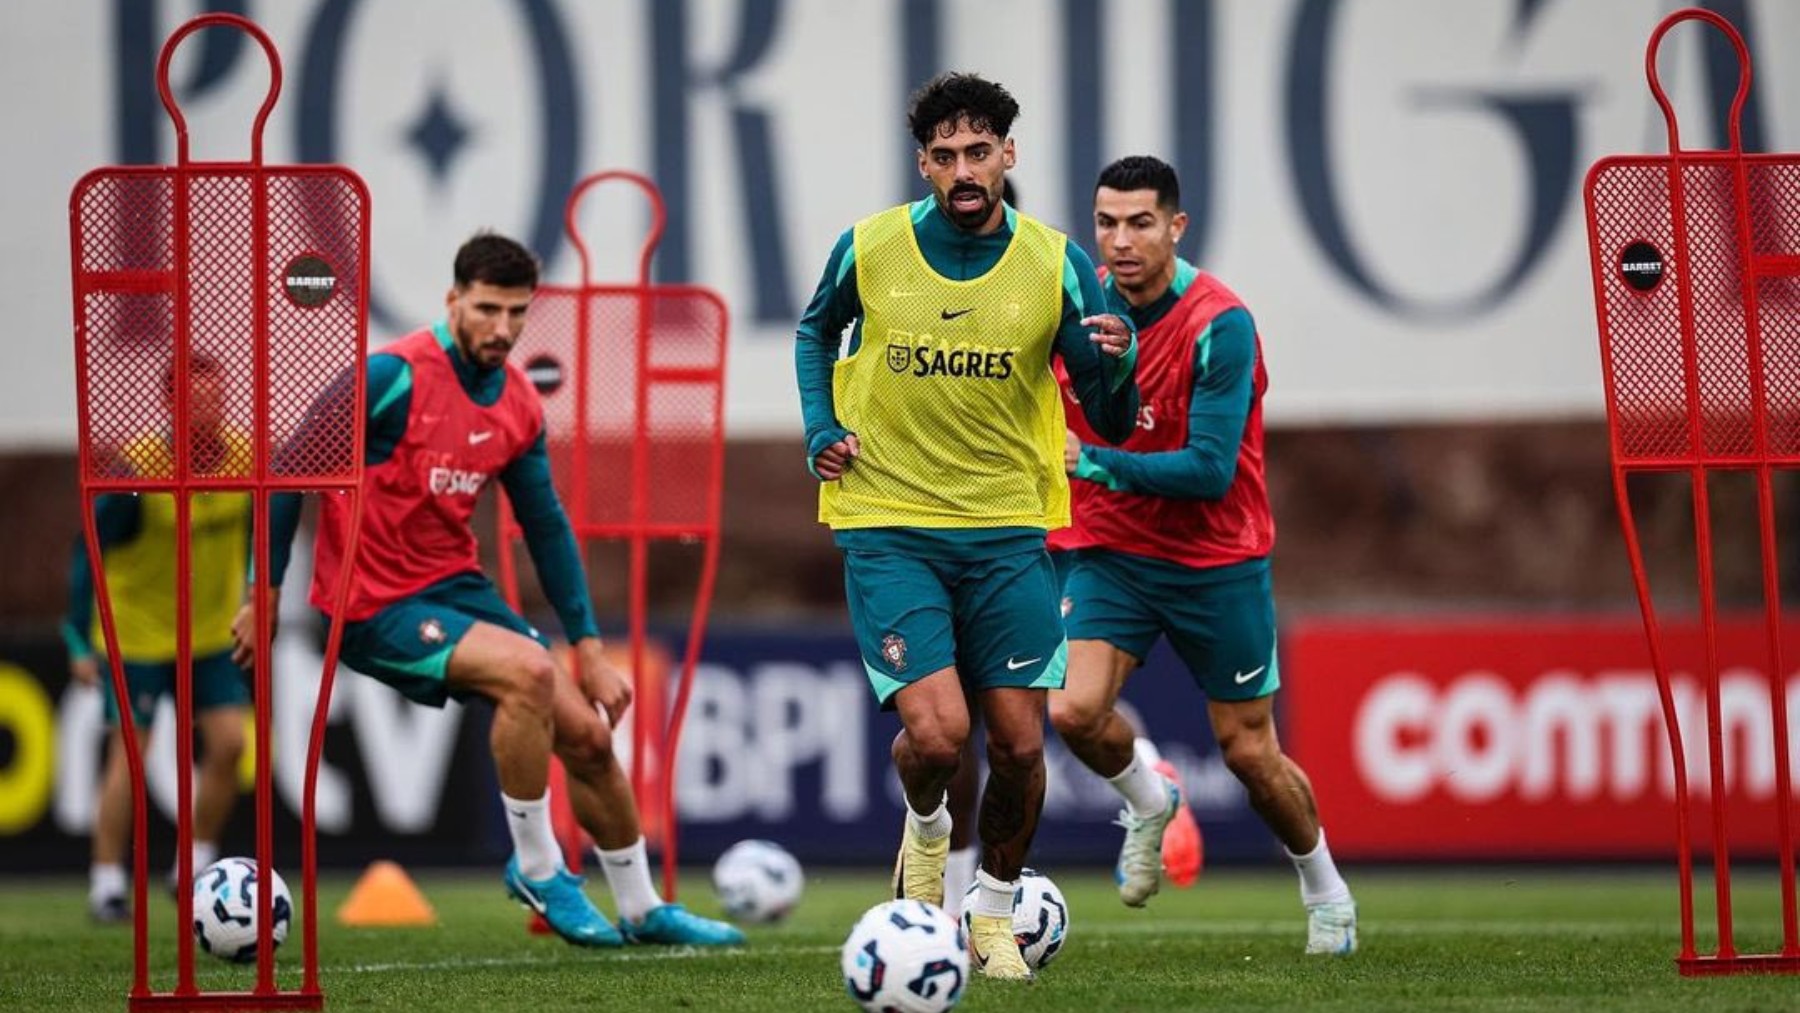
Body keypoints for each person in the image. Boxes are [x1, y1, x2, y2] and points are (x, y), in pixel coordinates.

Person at [232, 233, 742, 949]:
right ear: (453, 301)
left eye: (516, 313)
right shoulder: (389, 376)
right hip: (374, 604)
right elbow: (288, 473)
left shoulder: (520, 403)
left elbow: (546, 525)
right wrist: (264, 593)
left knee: (591, 736)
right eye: (486, 309)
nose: (502, 329)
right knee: (530, 674)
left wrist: (590, 647)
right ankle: (538, 865)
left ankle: (642, 906)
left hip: (457, 590)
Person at [794, 72, 1139, 980]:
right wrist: (822, 428)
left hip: (1007, 528)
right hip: (889, 519)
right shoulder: (869, 247)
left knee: (1023, 745)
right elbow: (812, 331)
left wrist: (1122, 361)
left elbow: (1102, 410)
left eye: (978, 151)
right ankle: (927, 828)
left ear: (1008, 156)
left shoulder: (1055, 261)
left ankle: (990, 912)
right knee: (941, 737)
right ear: (924, 164)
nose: (962, 169)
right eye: (944, 156)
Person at [1047, 155, 1357, 954]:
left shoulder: (1221, 323)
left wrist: (1094, 461)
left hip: (1217, 557)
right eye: (1107, 222)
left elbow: (1209, 470)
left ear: (1175, 227)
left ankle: (1326, 891)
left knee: (1250, 753)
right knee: (1074, 711)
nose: (1120, 240)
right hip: (1111, 548)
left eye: (1140, 222)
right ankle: (1152, 797)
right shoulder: (1075, 309)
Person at [64, 352, 251, 923]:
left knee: (230, 744)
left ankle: (192, 866)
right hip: (139, 633)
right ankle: (107, 883)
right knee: (131, 754)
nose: (211, 406)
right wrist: (77, 638)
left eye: (218, 394)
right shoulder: (135, 473)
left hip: (211, 631)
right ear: (170, 403)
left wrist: (251, 592)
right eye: (197, 397)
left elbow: (254, 532)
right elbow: (85, 554)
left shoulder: (245, 458)